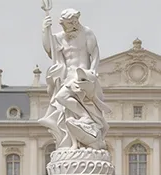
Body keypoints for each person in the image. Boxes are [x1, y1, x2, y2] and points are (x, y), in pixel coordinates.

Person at [40, 8, 111, 150]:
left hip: (82, 75)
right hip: (67, 76)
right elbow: (49, 49)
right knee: (67, 112)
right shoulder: (59, 37)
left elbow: (95, 54)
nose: (74, 24)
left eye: (75, 21)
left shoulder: (87, 33)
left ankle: (85, 117)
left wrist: (92, 73)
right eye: (70, 22)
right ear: (63, 24)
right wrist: (45, 29)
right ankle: (74, 142)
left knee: (62, 97)